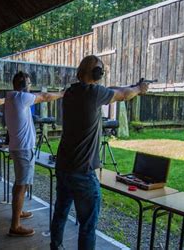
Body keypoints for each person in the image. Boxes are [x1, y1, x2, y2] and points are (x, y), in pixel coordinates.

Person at [50, 55, 149, 250]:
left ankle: (55, 247)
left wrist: (130, 86)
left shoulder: (71, 92)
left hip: (63, 166)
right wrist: (139, 89)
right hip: (83, 171)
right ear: (97, 74)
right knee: (87, 225)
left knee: (60, 213)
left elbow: (112, 90)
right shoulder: (94, 94)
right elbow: (122, 95)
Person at [5, 71, 64, 237]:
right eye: (29, 84)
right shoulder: (21, 98)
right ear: (24, 85)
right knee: (21, 185)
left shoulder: (11, 97)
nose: (31, 87)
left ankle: (19, 212)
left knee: (20, 184)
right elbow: (44, 97)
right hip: (23, 149)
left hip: (19, 147)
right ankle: (15, 226)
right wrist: (62, 93)